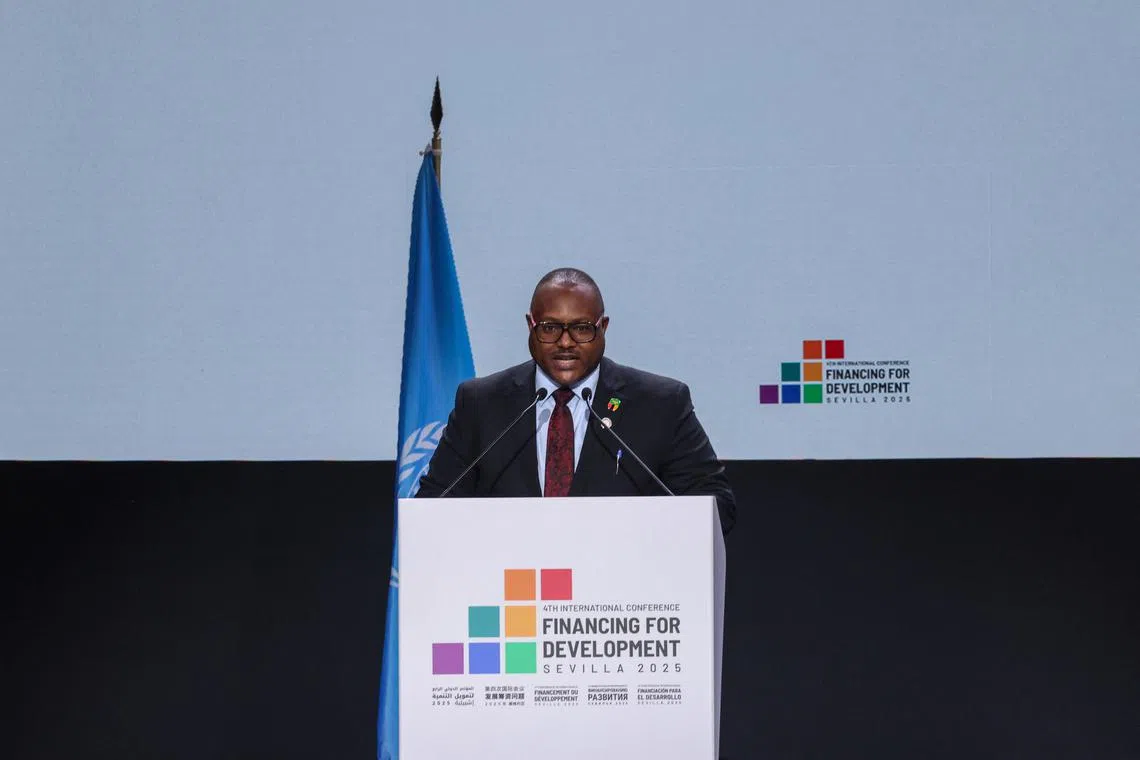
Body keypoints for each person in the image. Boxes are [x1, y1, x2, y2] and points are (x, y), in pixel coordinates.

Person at [416, 268, 736, 534]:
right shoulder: (480, 404)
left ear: (603, 327)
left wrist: (634, 530)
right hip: (512, 585)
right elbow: (432, 507)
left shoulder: (660, 404)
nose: (566, 342)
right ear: (530, 326)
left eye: (582, 329)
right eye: (550, 328)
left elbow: (716, 507)